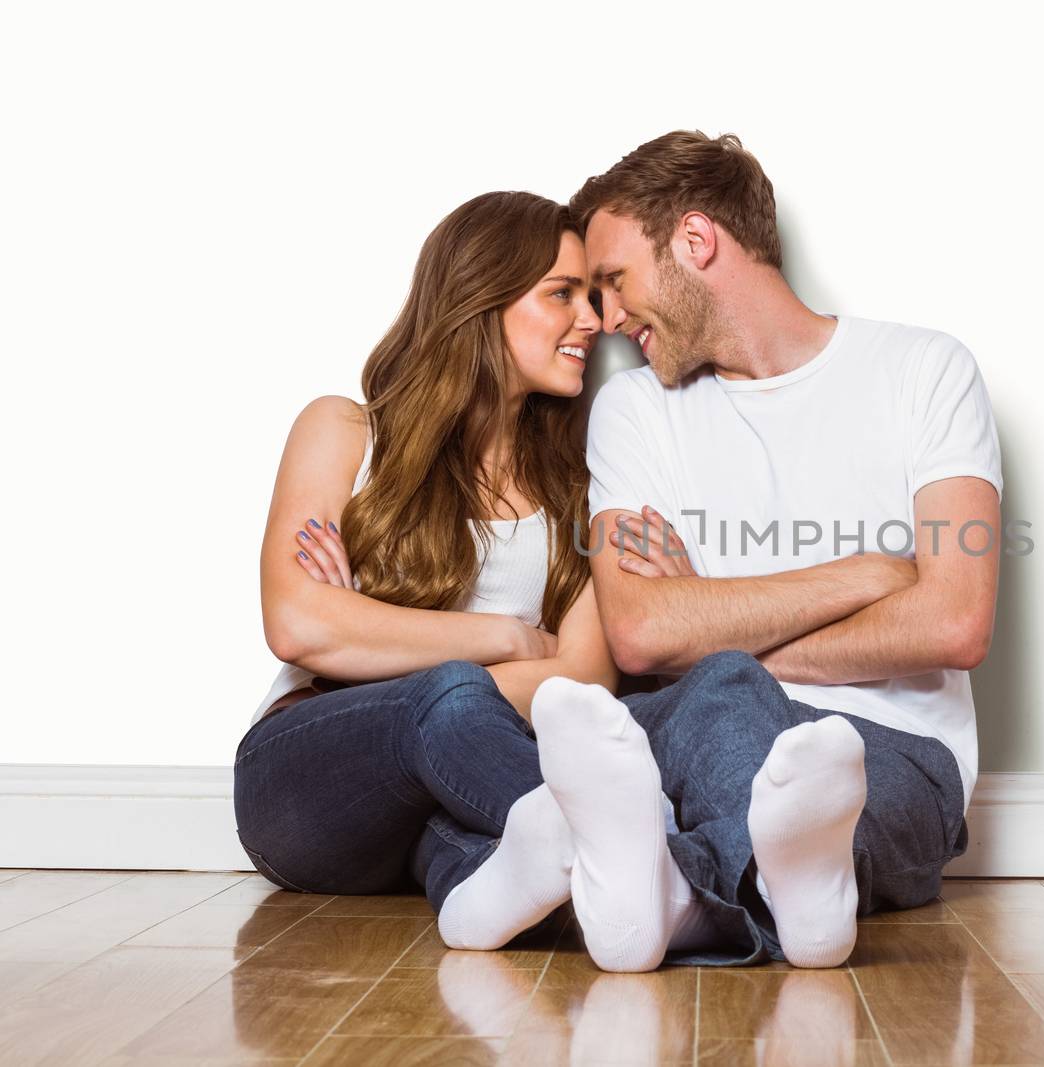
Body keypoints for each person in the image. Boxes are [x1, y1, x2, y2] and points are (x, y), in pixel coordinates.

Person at [524, 131, 1003, 972]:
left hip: (891, 751)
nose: (603, 318)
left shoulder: (925, 371)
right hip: (707, 723)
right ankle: (798, 900)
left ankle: (677, 897)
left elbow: (955, 620)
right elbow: (640, 633)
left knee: (777, 736)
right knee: (722, 698)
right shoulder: (633, 411)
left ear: (696, 242)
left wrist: (711, 611)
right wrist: (864, 577)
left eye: (614, 280)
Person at [233, 190, 623, 951]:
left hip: (449, 799)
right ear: (482, 296)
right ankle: (653, 863)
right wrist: (506, 636)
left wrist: (369, 648)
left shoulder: (580, 480)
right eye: (562, 294)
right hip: (306, 785)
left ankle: (497, 901)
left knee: (486, 847)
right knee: (446, 696)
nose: (595, 321)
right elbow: (297, 622)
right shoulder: (346, 431)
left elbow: (584, 675)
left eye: (596, 296)